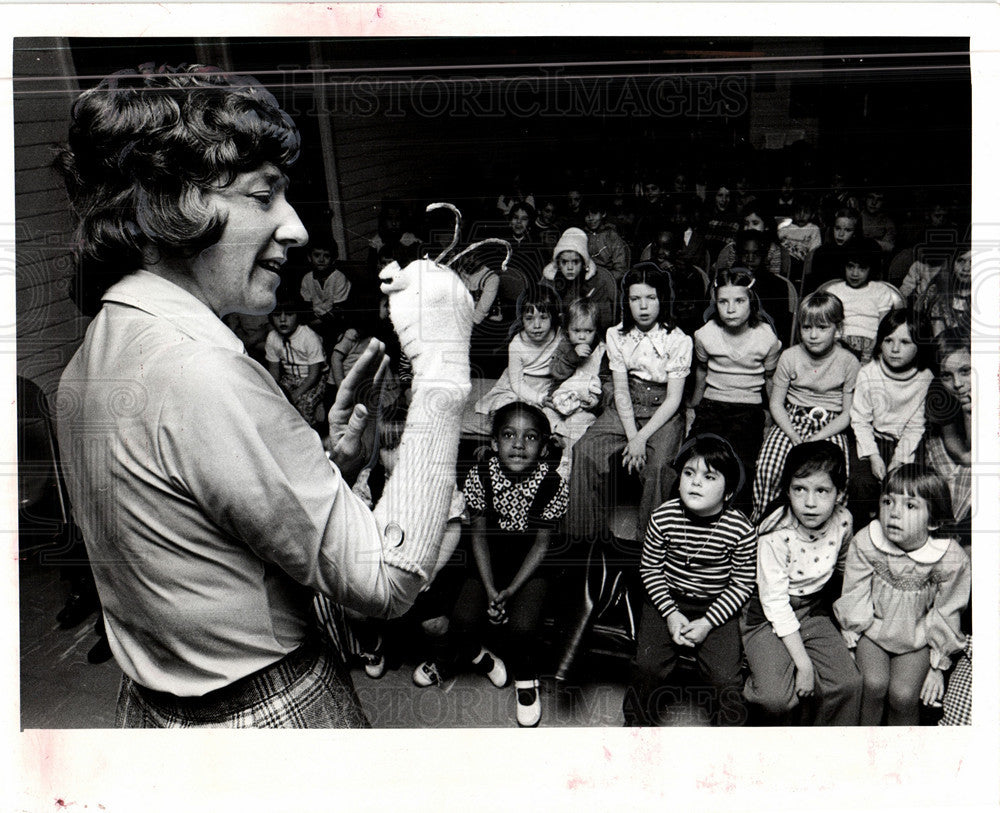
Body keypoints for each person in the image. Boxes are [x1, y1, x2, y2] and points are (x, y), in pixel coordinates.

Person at [54, 64, 474, 728]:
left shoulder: (89, 361)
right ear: (172, 203)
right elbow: (388, 577)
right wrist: (446, 368)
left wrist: (327, 467)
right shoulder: (204, 372)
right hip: (266, 717)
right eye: (263, 195)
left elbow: (203, 541)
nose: (297, 227)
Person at [413, 402, 569, 728]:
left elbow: (541, 545)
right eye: (509, 435)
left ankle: (526, 681)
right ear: (495, 443)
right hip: (489, 560)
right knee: (462, 620)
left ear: (543, 448)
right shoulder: (480, 475)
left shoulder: (552, 482)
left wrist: (510, 591)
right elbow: (479, 537)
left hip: (531, 566)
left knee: (522, 629)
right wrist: (490, 588)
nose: (518, 444)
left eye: (530, 437)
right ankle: (480, 656)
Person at [623, 435, 756, 726]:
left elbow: (742, 584)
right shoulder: (663, 516)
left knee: (724, 679)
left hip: (717, 605)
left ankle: (728, 742)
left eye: (709, 477)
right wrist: (670, 613)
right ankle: (635, 730)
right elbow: (650, 570)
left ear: (728, 490)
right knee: (647, 666)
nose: (695, 482)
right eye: (689, 473)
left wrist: (708, 622)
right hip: (666, 598)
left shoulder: (741, 529)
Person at [834, 466, 970, 725]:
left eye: (910, 506)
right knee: (873, 685)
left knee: (904, 695)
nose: (894, 513)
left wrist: (937, 667)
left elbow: (947, 611)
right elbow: (854, 592)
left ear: (932, 520)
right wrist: (851, 640)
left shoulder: (950, 558)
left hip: (917, 637)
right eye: (888, 501)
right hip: (873, 629)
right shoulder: (867, 541)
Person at [567, 264, 692, 543]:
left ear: (662, 299)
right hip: (626, 404)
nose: (643, 307)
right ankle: (584, 539)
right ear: (627, 301)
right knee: (585, 450)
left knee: (659, 467)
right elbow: (620, 389)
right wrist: (632, 436)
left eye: (650, 298)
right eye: (635, 299)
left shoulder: (679, 340)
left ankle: (649, 546)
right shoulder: (616, 335)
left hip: (663, 410)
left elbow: (674, 399)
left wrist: (641, 439)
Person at [742, 441, 862, 725]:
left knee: (849, 684)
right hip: (767, 613)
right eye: (800, 489)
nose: (810, 503)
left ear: (840, 494)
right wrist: (804, 664)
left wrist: (844, 621)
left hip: (813, 609)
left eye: (822, 491)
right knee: (777, 698)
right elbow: (774, 601)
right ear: (787, 491)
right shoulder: (775, 532)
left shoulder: (844, 520)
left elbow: (844, 568)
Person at [751, 292, 860, 522]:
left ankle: (828, 530)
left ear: (837, 329)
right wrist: (792, 434)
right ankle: (766, 523)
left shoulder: (849, 361)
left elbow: (847, 413)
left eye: (822, 327)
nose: (812, 335)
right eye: (806, 327)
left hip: (830, 424)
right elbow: (777, 404)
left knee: (836, 476)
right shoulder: (789, 356)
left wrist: (819, 436)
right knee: (769, 469)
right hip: (792, 419)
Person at [689, 267, 783, 515]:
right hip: (712, 405)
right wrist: (694, 406)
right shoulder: (705, 334)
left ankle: (733, 523)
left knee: (740, 463)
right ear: (715, 302)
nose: (730, 309)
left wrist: (771, 416)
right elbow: (701, 371)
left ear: (751, 303)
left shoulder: (766, 337)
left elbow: (770, 378)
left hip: (748, 409)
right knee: (697, 458)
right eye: (723, 301)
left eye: (739, 301)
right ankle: (689, 520)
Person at [847, 308, 934, 530]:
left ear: (920, 345)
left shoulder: (925, 378)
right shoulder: (869, 372)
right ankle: (861, 535)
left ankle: (899, 534)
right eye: (888, 340)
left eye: (905, 342)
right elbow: (859, 420)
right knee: (862, 484)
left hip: (906, 442)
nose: (895, 349)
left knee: (908, 487)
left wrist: (899, 459)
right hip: (870, 439)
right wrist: (874, 456)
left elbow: (916, 426)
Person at [544, 297, 608, 478]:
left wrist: (594, 402)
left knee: (577, 425)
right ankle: (544, 464)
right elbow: (556, 373)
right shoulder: (564, 346)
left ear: (596, 331)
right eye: (576, 330)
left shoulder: (601, 350)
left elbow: (604, 382)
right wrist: (572, 356)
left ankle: (567, 466)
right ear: (566, 330)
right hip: (560, 401)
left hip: (583, 405)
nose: (582, 336)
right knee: (545, 419)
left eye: (588, 331)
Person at [475, 285, 561, 415]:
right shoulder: (517, 344)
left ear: (553, 317)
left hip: (546, 384)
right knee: (509, 407)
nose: (537, 325)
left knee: (553, 412)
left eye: (543, 317)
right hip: (518, 384)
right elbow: (517, 384)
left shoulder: (561, 336)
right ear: (521, 319)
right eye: (529, 318)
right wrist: (539, 398)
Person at [819, 238, 903, 363]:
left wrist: (873, 348)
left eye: (862, 268)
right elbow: (828, 323)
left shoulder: (880, 290)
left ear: (871, 268)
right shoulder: (834, 290)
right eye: (850, 267)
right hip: (840, 342)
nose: (855, 273)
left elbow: (883, 327)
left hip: (872, 344)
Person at [265, 288, 327, 430]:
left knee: (303, 406)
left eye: (289, 314)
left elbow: (314, 374)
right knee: (276, 403)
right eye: (276, 315)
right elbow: (274, 372)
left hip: (314, 378)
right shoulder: (272, 337)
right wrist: (276, 392)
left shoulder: (308, 337)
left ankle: (310, 431)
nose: (282, 319)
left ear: (298, 315)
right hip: (290, 377)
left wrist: (296, 394)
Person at [540, 227, 617, 332]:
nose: (570, 267)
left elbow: (604, 320)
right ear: (558, 263)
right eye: (564, 262)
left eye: (575, 262)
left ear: (584, 264)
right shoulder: (547, 283)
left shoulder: (598, 282)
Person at [298, 236, 352, 348]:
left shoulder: (339, 278)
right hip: (315, 322)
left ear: (333, 259)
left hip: (335, 322)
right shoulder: (307, 278)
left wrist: (315, 323)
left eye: (326, 256)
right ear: (309, 257)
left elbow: (339, 310)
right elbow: (306, 305)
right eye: (317, 255)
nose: (321, 260)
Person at [583, 198, 629, 283]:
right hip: (585, 281)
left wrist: (602, 281)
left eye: (595, 213)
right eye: (587, 215)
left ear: (603, 214)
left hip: (607, 282)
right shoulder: (582, 236)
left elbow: (620, 270)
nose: (591, 218)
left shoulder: (612, 236)